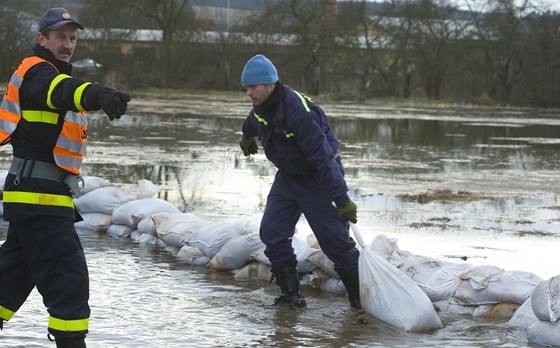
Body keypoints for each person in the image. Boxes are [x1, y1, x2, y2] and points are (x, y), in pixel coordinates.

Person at [0, 7, 131, 348]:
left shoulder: (45, 74)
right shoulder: (38, 73)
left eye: (72, 38)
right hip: (40, 199)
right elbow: (63, 90)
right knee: (68, 281)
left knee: (11, 278)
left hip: (35, 196)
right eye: (60, 36)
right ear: (40, 39)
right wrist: (100, 95)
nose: (67, 44)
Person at [238, 54, 362, 311]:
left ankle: (358, 305)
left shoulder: (299, 113)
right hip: (287, 178)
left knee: (337, 246)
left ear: (270, 84)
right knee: (272, 232)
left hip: (317, 178)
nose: (249, 92)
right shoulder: (262, 106)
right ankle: (292, 296)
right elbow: (254, 121)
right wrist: (247, 135)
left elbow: (324, 159)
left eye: (253, 87)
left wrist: (342, 200)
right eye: (246, 87)